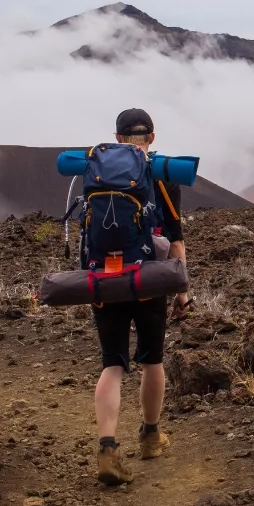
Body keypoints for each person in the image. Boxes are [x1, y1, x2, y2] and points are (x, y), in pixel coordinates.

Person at [94, 108, 191, 485]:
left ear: (117, 138)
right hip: (149, 279)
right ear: (152, 137)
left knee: (112, 364)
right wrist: (181, 294)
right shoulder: (164, 176)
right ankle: (151, 437)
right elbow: (176, 239)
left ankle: (107, 448)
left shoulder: (97, 175)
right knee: (152, 360)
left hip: (105, 279)